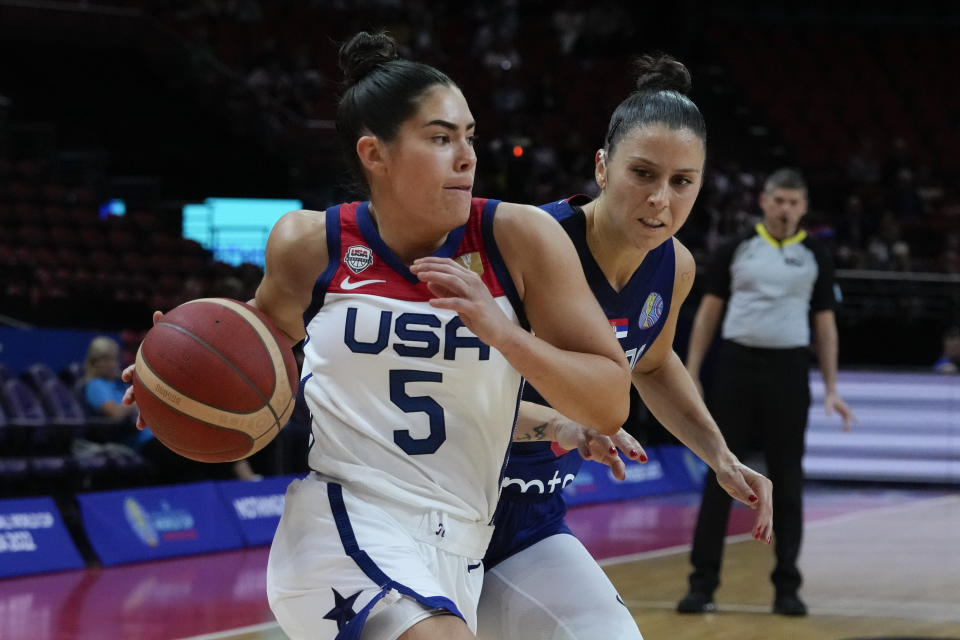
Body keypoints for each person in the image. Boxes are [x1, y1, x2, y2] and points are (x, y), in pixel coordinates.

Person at [124, 31, 630, 640]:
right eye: (441, 139)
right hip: (344, 518)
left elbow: (609, 401)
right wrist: (174, 382)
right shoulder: (310, 244)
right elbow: (247, 352)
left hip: (466, 534)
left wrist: (503, 333)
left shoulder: (518, 238)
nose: (467, 156)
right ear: (376, 153)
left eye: (469, 136)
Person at [475, 55, 774, 640]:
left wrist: (720, 456)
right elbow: (456, 392)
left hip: (530, 521)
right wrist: (566, 426)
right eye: (643, 174)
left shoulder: (676, 267)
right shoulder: (525, 240)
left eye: (681, 181)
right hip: (442, 502)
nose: (661, 198)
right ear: (602, 167)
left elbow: (655, 365)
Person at [679, 168, 857, 617]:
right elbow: (708, 312)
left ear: (803, 207)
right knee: (721, 472)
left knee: (789, 479)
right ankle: (702, 585)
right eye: (778, 200)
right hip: (737, 366)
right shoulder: (737, 248)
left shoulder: (816, 254)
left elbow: (825, 325)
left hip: (789, 370)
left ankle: (787, 588)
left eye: (793, 203)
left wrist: (832, 387)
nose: (785, 209)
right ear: (764, 201)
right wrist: (692, 372)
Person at [88, 335, 259, 483]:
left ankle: (243, 486)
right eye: (108, 359)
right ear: (96, 362)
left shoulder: (118, 384)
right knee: (205, 451)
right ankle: (246, 483)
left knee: (216, 437)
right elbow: (116, 414)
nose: (114, 364)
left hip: (164, 434)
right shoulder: (95, 386)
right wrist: (143, 396)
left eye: (115, 358)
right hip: (145, 443)